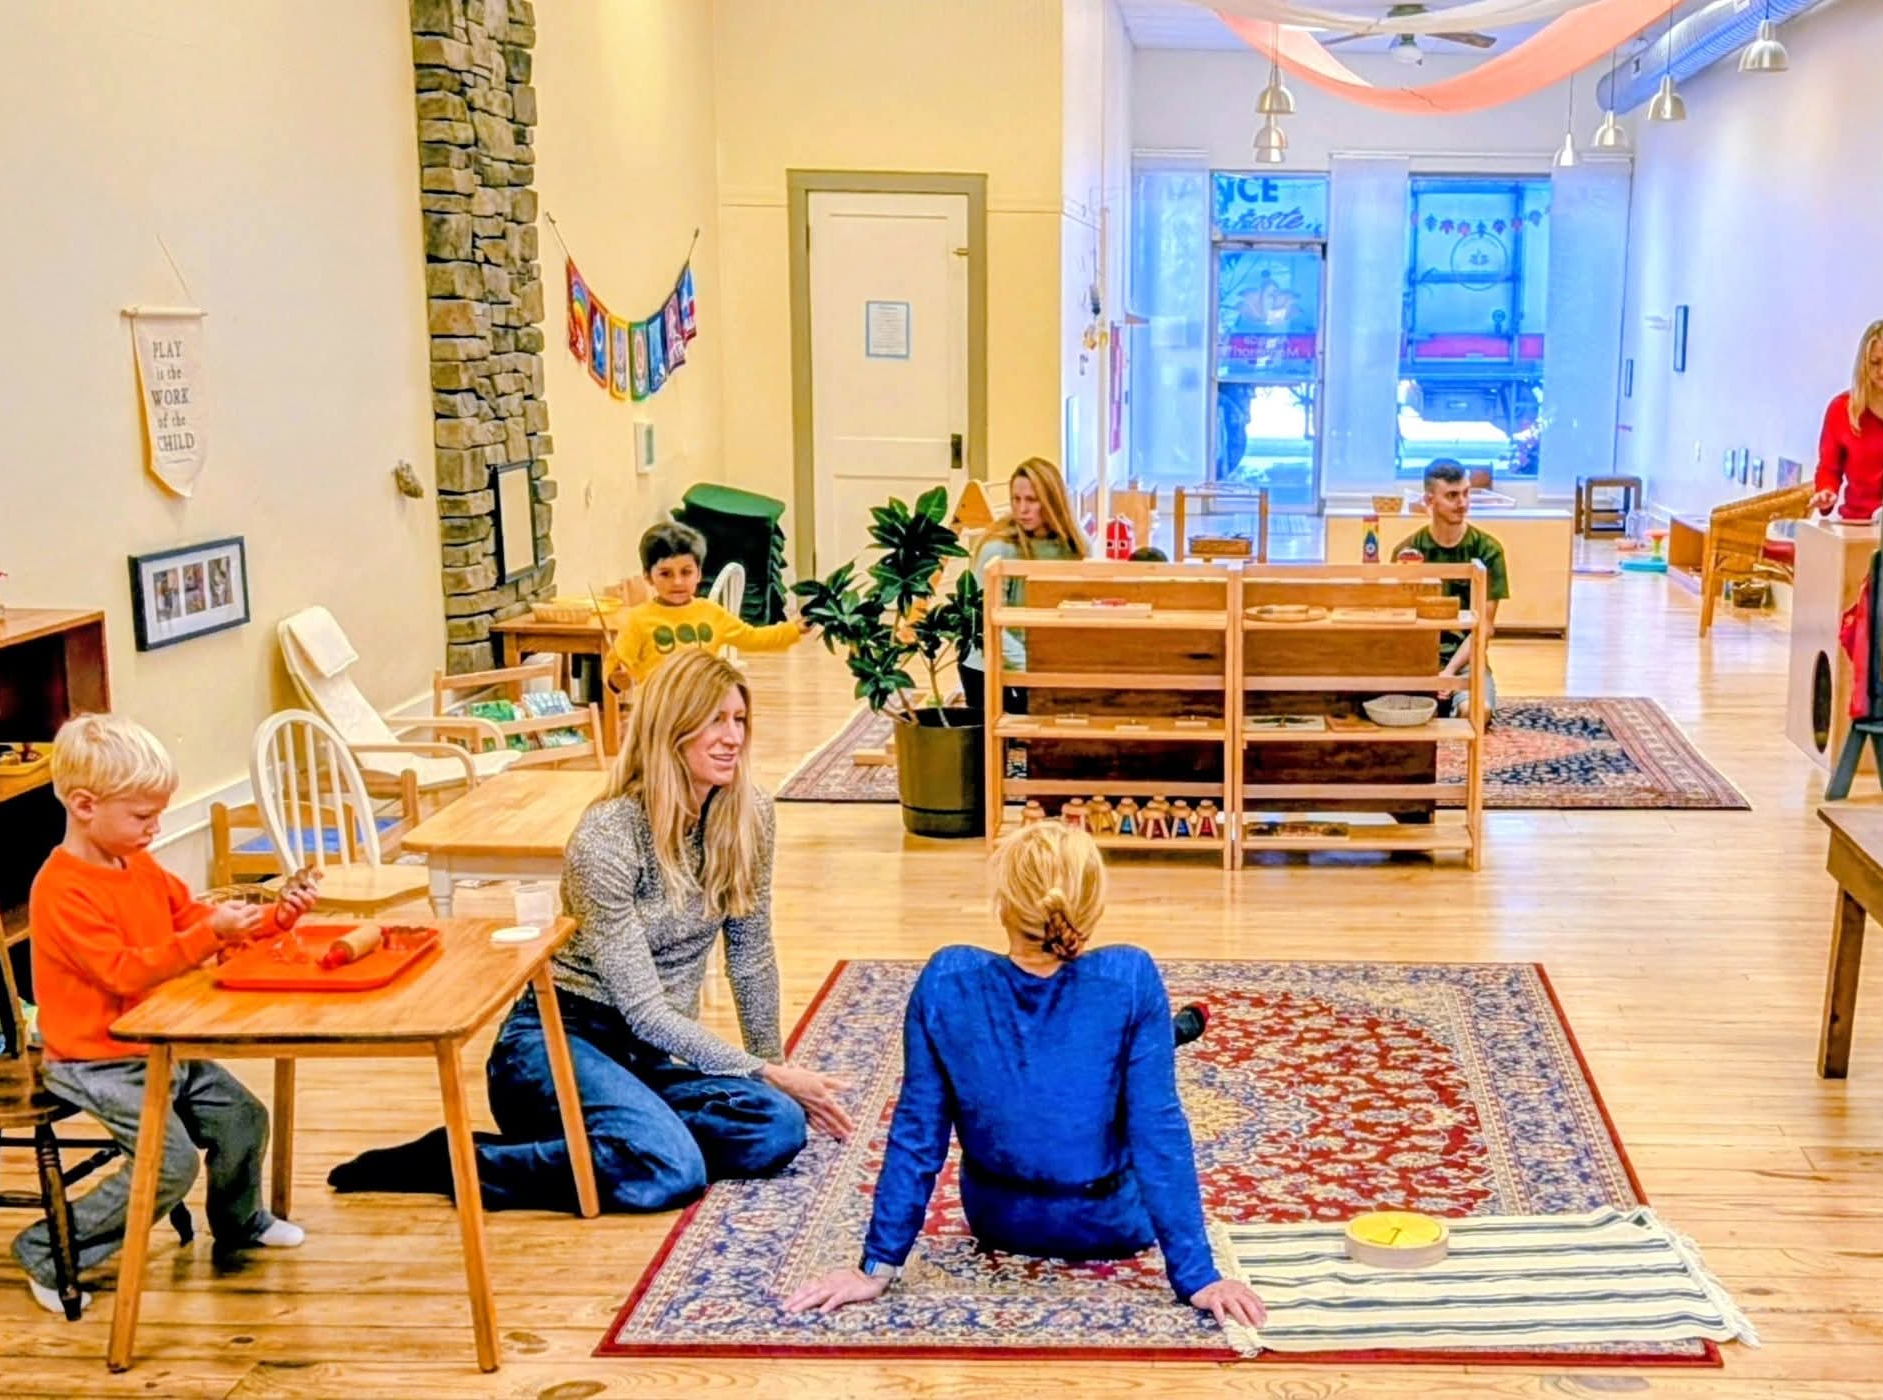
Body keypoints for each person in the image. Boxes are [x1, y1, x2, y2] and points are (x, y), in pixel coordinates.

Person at [327, 650, 849, 1210]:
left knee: (776, 1125)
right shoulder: (607, 836)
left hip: (646, 1058)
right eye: (713, 720)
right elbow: (645, 1011)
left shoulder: (749, 815)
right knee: (671, 1172)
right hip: (556, 1043)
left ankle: (623, 1141)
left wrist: (771, 1071)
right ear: (669, 728)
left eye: (739, 719)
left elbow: (751, 957)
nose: (733, 738)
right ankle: (457, 1161)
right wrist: (763, 1070)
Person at [780, 823, 1264, 1329]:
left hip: (998, 1221)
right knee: (1135, 1042)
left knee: (1091, 1041)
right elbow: (1157, 1131)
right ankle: (1171, 1032)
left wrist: (877, 1265)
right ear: (1090, 906)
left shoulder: (945, 980)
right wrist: (1197, 1274)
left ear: (1003, 904)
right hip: (1112, 1225)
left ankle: (1169, 1032)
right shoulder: (1130, 977)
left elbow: (917, 1134)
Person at [12, 714, 319, 1314]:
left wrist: (275, 917)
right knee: (169, 1165)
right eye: (142, 816)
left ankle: (240, 1222)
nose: (155, 828)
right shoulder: (62, 890)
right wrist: (207, 937)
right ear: (84, 805)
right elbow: (124, 973)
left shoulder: (138, 865)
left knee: (242, 1119)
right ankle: (48, 1250)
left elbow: (199, 922)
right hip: (96, 1058)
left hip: (159, 1042)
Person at [963, 456, 1091, 716]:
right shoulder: (999, 548)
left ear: (1052, 501)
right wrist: (1032, 670)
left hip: (1040, 663)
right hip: (991, 665)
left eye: (1032, 500)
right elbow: (986, 624)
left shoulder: (1074, 546)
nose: (1022, 509)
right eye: (1016, 499)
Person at [608, 522, 802, 686]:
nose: (677, 582)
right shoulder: (638, 619)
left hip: (704, 706)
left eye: (686, 572)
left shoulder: (711, 613)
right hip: (658, 710)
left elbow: (753, 637)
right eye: (666, 574)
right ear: (648, 577)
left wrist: (794, 629)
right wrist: (616, 677)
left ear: (699, 574)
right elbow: (617, 661)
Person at [1396, 459, 1508, 712]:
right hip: (1417, 659)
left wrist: (1449, 672)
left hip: (1464, 658)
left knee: (1477, 712)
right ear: (1429, 500)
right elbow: (1400, 621)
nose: (1463, 503)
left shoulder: (1488, 550)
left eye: (1466, 493)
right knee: (1382, 709)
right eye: (1452, 496)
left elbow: (1484, 629)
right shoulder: (1407, 551)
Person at [1812, 318, 1883, 523]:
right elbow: (1829, 468)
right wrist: (1826, 492)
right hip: (1858, 522)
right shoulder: (1841, 409)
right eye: (1875, 363)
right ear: (1863, 364)